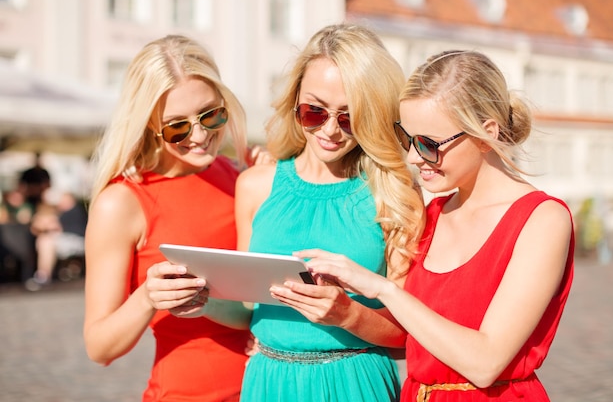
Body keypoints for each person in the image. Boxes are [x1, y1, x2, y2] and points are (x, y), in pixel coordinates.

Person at [297, 50, 575, 401]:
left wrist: (383, 289)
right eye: (407, 139)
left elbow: (485, 362)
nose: (414, 157)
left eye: (429, 144)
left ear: (485, 133)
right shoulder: (431, 214)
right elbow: (409, 334)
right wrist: (340, 305)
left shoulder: (542, 219)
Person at [235, 23, 425, 402]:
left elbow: (411, 335)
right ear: (294, 103)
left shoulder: (394, 195)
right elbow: (245, 305)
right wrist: (195, 297)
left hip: (355, 382)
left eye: (349, 117)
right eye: (313, 111)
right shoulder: (255, 185)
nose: (330, 130)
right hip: (268, 382)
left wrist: (347, 315)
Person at [83, 34, 254, 402]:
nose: (200, 135)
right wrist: (148, 297)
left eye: (211, 115)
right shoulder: (123, 202)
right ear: (148, 124)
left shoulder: (242, 176)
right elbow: (99, 347)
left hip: (267, 389)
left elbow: (249, 308)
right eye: (177, 126)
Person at [24, 192, 88, 291]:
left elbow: (57, 228)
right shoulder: (63, 212)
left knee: (46, 242)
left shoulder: (73, 211)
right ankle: (43, 275)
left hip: (78, 241)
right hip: (70, 241)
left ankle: (43, 275)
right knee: (45, 241)